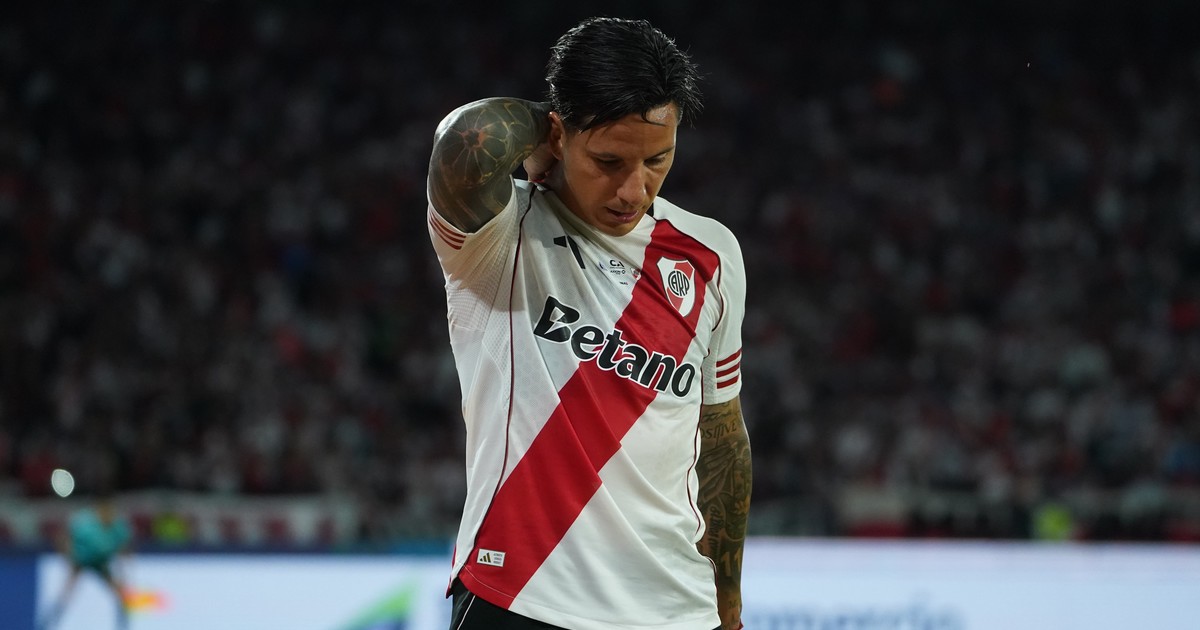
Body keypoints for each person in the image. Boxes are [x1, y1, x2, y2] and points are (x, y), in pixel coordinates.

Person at [426, 16, 751, 630]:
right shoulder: (500, 231)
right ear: (558, 134)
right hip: (523, 597)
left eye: (657, 159)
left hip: (676, 609)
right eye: (608, 160)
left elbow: (722, 440)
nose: (633, 189)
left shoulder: (711, 254)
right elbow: (468, 137)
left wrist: (728, 603)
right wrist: (541, 129)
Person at [38, 494, 133, 630]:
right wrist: (68, 556)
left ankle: (123, 626)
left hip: (101, 563)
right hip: (80, 561)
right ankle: (48, 622)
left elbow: (124, 547)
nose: (107, 516)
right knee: (66, 593)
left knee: (120, 593)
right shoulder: (83, 523)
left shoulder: (118, 526)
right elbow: (63, 538)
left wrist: (123, 571)